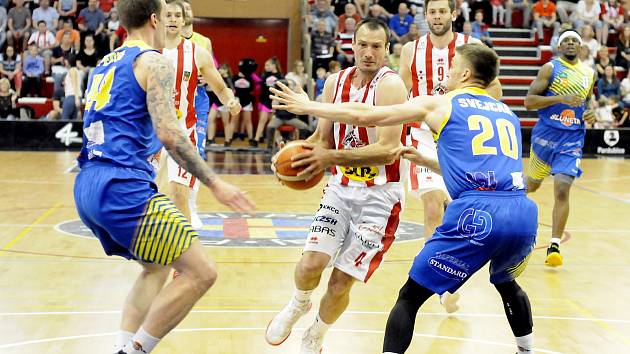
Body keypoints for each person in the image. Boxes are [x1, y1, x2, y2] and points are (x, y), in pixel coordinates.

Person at [271, 42, 538, 354]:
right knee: (507, 283)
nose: (448, 70)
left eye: (453, 64)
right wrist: (428, 162)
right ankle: (526, 349)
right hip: (522, 213)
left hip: (478, 214)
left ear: (465, 73)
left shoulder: (443, 103)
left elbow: (367, 114)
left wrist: (309, 107)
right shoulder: (507, 114)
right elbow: (488, 167)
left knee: (409, 297)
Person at [73, 1, 254, 354]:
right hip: (121, 185)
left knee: (156, 265)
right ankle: (134, 351)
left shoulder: (103, 64)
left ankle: (122, 344)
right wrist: (216, 183)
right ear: (155, 19)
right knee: (201, 271)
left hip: (87, 184)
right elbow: (170, 134)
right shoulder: (154, 61)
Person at [265, 18, 407, 354]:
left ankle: (317, 333)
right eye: (363, 44)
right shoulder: (334, 83)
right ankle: (299, 304)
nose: (369, 52)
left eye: (376, 46)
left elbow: (388, 151)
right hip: (340, 190)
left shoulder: (391, 87)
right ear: (352, 45)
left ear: (386, 50)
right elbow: (320, 138)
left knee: (341, 281)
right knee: (310, 263)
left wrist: (330, 158)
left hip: (380, 197)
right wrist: (291, 158)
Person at [398, 0, 502, 313]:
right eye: (433, 11)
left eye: (444, 11)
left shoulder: (472, 46)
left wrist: (462, 97)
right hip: (423, 135)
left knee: (457, 213)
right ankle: (435, 281)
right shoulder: (410, 50)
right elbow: (401, 91)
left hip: (461, 137)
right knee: (432, 206)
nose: (438, 16)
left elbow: (495, 89)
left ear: (453, 14)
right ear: (425, 15)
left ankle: (451, 269)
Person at [158, 0, 241, 224]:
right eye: (169, 15)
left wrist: (231, 101)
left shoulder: (198, 53)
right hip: (150, 135)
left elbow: (221, 88)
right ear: (159, 18)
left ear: (184, 20)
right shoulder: (147, 50)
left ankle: (186, 248)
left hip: (184, 133)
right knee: (148, 196)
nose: (173, 19)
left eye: (178, 15)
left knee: (178, 193)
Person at [524, 30, 596, 267]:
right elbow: (529, 102)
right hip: (545, 137)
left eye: (575, 40)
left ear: (581, 46)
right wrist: (560, 99)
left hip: (572, 139)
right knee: (531, 185)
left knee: (563, 187)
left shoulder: (589, 73)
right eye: (567, 40)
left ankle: (554, 245)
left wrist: (591, 112)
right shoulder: (550, 69)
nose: (571, 43)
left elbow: (588, 101)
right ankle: (504, 204)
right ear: (559, 45)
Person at [180, 0, 215, 229]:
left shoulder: (204, 41)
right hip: (175, 99)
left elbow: (210, 73)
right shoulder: (166, 40)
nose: (186, 13)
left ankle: (192, 207)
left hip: (198, 99)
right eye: (182, 10)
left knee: (197, 153)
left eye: (189, 9)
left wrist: (205, 79)